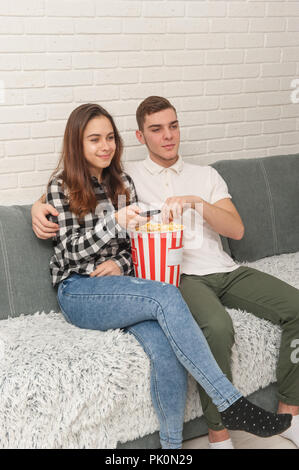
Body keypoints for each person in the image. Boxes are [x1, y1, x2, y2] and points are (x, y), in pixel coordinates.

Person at [31, 101, 293, 450]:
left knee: (165, 348)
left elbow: (135, 246)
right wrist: (111, 222)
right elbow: (72, 252)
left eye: (110, 137)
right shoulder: (61, 188)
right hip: (78, 289)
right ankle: (231, 402)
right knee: (165, 293)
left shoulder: (122, 182)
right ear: (77, 144)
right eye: (94, 139)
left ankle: (171, 448)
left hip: (121, 286)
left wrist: (122, 265)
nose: (105, 146)